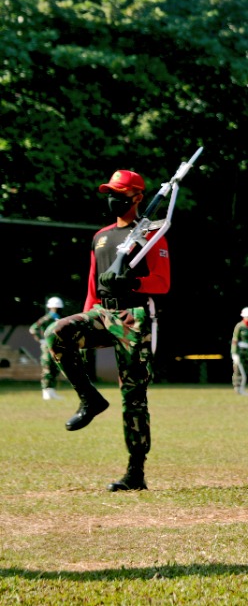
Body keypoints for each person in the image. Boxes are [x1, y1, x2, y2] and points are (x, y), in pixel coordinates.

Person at [45, 168, 170, 491]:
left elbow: (163, 282)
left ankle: (135, 472)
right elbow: (93, 284)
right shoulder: (100, 236)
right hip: (102, 312)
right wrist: (87, 315)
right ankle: (90, 399)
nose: (113, 199)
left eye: (120, 194)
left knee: (133, 397)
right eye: (110, 193)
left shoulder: (152, 234)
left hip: (134, 318)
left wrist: (133, 281)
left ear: (138, 197)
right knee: (55, 333)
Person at [30, 297, 65, 400]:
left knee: (55, 367)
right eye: (55, 307)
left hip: (57, 346)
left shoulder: (59, 318)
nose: (56, 309)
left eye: (57, 307)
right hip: (47, 347)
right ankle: (46, 391)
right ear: (50, 307)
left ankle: (51, 391)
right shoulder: (47, 318)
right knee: (47, 367)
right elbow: (33, 329)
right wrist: (41, 340)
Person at [230, 308, 248, 396]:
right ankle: (238, 389)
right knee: (238, 371)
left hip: (247, 353)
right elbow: (235, 340)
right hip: (239, 352)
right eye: (247, 316)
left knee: (245, 371)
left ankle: (242, 389)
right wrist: (234, 353)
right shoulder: (239, 326)